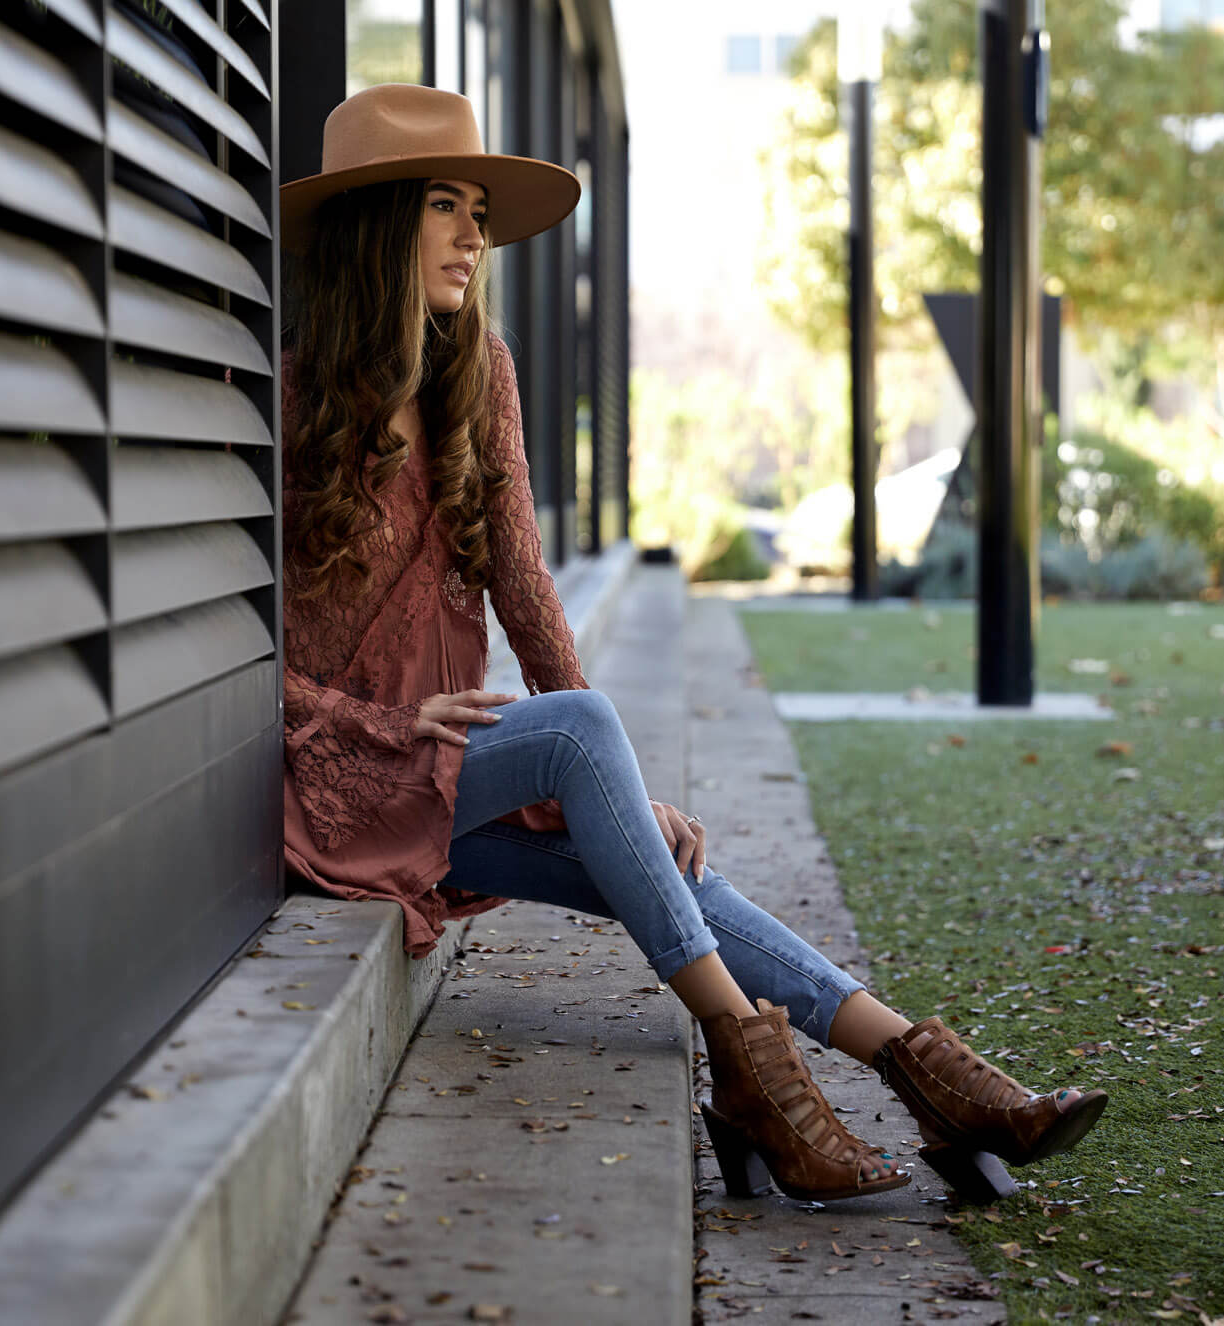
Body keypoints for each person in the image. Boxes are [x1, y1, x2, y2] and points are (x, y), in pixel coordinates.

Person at [278, 83, 1107, 1206]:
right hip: (343, 781)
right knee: (581, 735)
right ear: (378, 223)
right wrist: (385, 723)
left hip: (450, 792)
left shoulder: (486, 378)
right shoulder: (292, 404)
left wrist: (601, 786)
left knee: (649, 846)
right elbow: (244, 667)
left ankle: (913, 1069)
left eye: (479, 209)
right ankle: (773, 1074)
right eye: (445, 206)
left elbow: (527, 590)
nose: (475, 236)